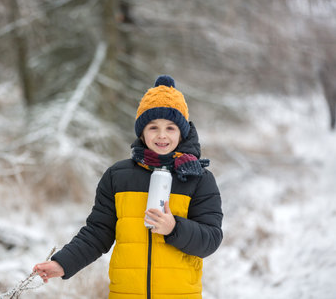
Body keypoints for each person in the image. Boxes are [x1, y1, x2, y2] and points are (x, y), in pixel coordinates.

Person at [33, 75, 223, 299]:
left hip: (180, 294)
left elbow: (210, 239)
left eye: (170, 128)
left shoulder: (198, 178)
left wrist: (174, 228)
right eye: (153, 127)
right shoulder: (118, 176)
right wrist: (63, 263)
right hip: (125, 293)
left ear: (182, 132)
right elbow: (97, 233)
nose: (161, 135)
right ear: (142, 132)